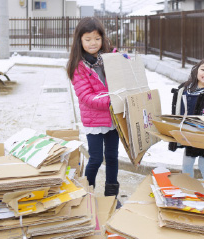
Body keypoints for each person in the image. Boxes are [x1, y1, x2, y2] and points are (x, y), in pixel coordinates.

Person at [66, 17, 121, 203]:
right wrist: (112, 100)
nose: (93, 43)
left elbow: (122, 81)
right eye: (88, 39)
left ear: (102, 38)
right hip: (94, 121)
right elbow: (86, 97)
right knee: (96, 159)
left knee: (113, 157)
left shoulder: (110, 59)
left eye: (97, 38)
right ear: (80, 40)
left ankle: (112, 196)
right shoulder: (79, 67)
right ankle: (87, 195)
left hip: (113, 119)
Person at [168, 57, 204, 194]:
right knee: (187, 164)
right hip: (189, 135)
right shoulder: (187, 88)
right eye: (203, 69)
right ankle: (188, 190)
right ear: (196, 71)